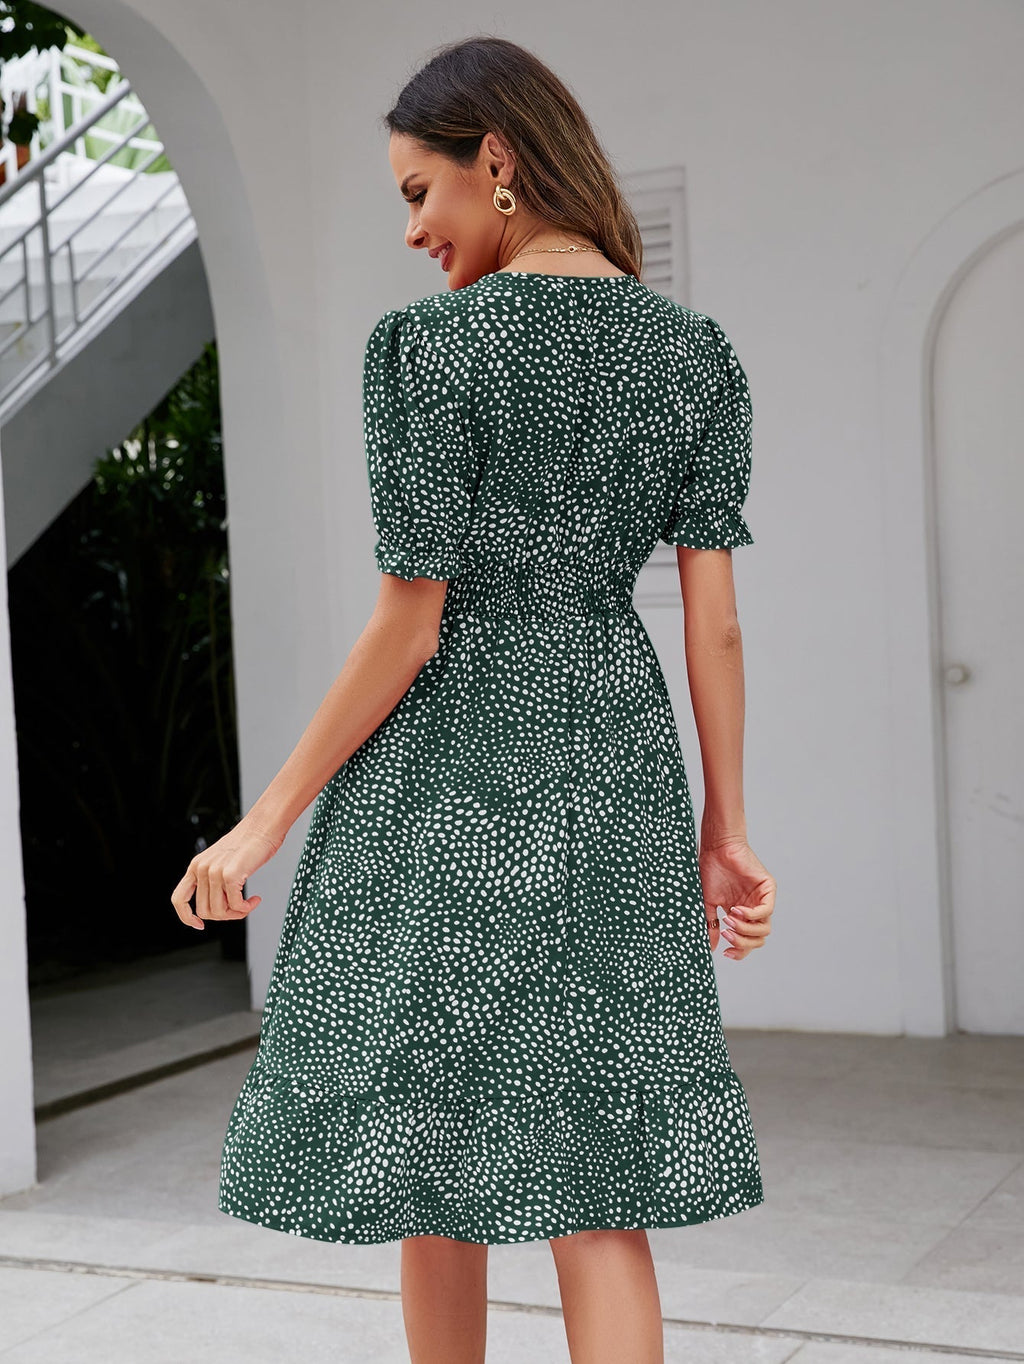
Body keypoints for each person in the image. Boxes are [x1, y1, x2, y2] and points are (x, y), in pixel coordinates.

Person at [171, 34, 776, 1364]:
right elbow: (716, 624)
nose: (411, 231)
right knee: (601, 1177)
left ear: (495, 158)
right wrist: (727, 831)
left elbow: (412, 621)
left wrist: (264, 821)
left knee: (430, 1151)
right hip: (614, 766)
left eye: (416, 192)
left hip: (452, 773)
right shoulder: (693, 354)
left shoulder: (431, 351)